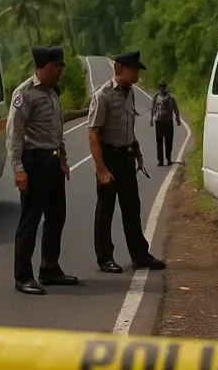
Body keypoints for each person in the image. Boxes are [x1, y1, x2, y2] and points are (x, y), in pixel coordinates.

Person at [7, 46, 79, 295]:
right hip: (34, 163)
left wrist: (63, 160)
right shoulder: (24, 94)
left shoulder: (51, 92)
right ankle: (23, 277)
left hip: (53, 162)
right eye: (59, 66)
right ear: (48, 66)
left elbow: (56, 129)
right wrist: (18, 169)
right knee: (30, 220)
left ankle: (50, 268)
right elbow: (15, 134)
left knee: (57, 217)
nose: (61, 71)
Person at [88, 51, 167, 274]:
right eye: (134, 71)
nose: (137, 76)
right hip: (109, 157)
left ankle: (140, 254)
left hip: (126, 156)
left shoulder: (129, 93)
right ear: (119, 69)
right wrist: (101, 169)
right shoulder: (102, 95)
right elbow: (93, 133)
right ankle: (105, 257)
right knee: (106, 210)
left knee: (132, 208)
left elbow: (128, 127)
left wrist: (137, 150)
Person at [149, 81, 182, 166]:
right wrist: (151, 119)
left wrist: (177, 118)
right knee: (159, 142)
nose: (162, 88)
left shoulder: (170, 97)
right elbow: (152, 108)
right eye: (161, 87)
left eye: (163, 87)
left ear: (165, 87)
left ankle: (168, 158)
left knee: (168, 141)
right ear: (159, 87)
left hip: (168, 121)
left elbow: (175, 108)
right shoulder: (156, 97)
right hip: (159, 121)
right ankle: (160, 160)